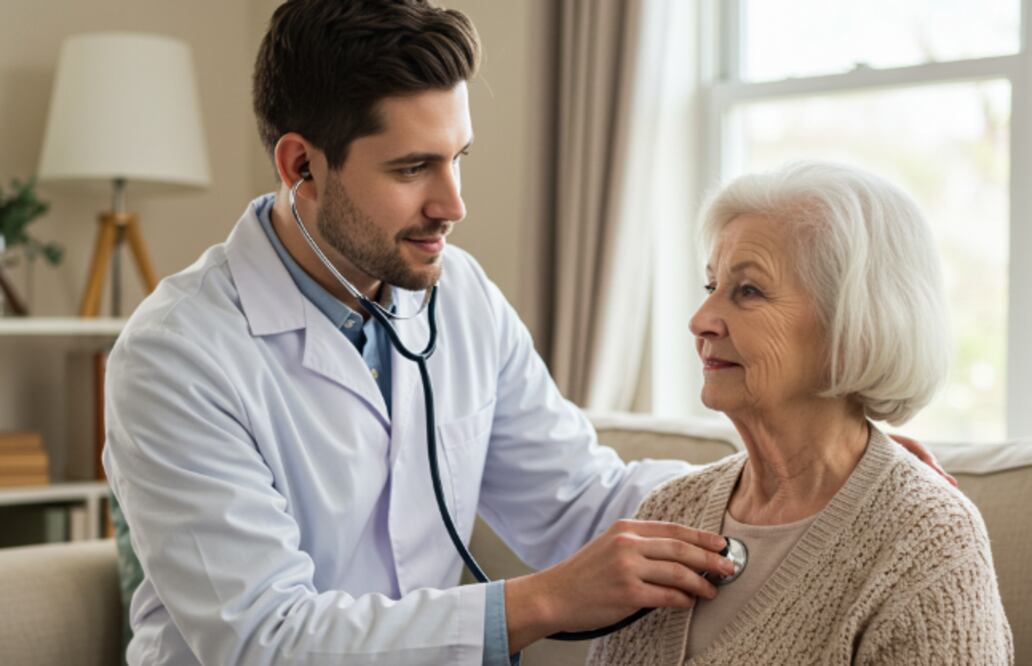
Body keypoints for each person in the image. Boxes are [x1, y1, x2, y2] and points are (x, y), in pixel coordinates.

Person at [103, 2, 949, 664]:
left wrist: (799, 483)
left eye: (458, 158)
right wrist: (541, 601)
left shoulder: (458, 296)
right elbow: (262, 640)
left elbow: (579, 500)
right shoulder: (178, 356)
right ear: (301, 167)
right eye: (413, 168)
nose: (453, 204)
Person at [587, 162, 1013, 665]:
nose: (700, 321)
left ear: (854, 327)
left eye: (748, 290)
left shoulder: (927, 538)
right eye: (710, 287)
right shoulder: (668, 509)